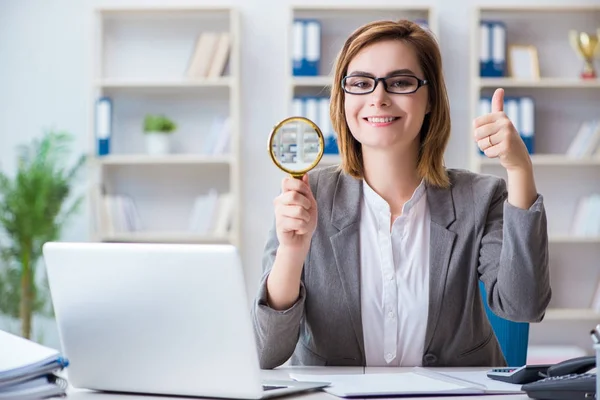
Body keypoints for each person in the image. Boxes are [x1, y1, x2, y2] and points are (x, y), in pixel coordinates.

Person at [251, 19, 551, 369]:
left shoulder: (481, 197)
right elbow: (267, 352)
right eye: (361, 83)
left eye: (400, 83)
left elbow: (524, 305)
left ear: (429, 100)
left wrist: (519, 171)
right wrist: (292, 251)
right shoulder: (306, 197)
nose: (378, 98)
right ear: (342, 98)